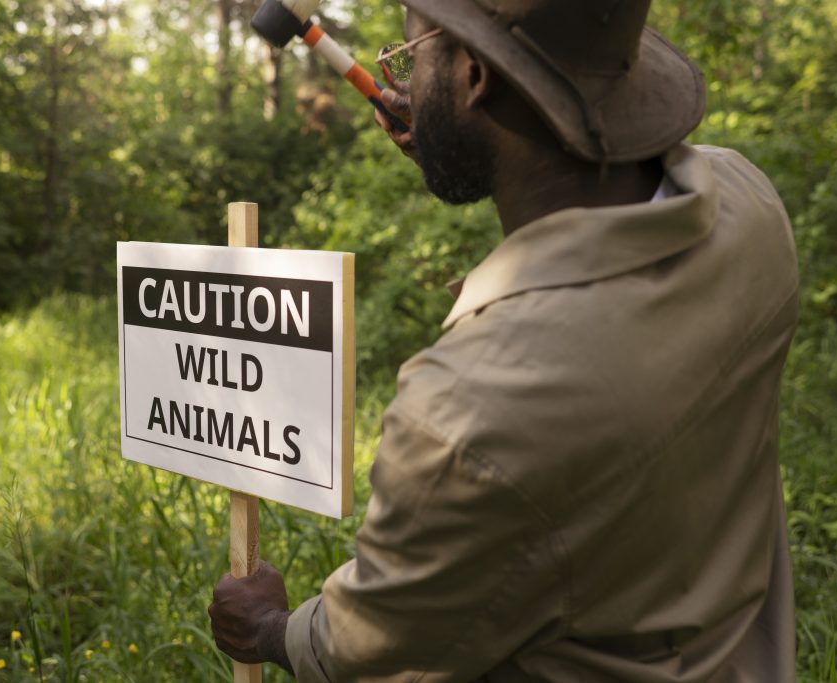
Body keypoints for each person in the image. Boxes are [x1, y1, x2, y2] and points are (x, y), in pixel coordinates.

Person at [209, 0, 799, 680]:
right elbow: (589, 215)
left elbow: (377, 639)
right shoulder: (749, 205)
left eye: (411, 57)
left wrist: (275, 629)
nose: (401, 78)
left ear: (476, 76)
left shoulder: (464, 414)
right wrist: (460, 129)